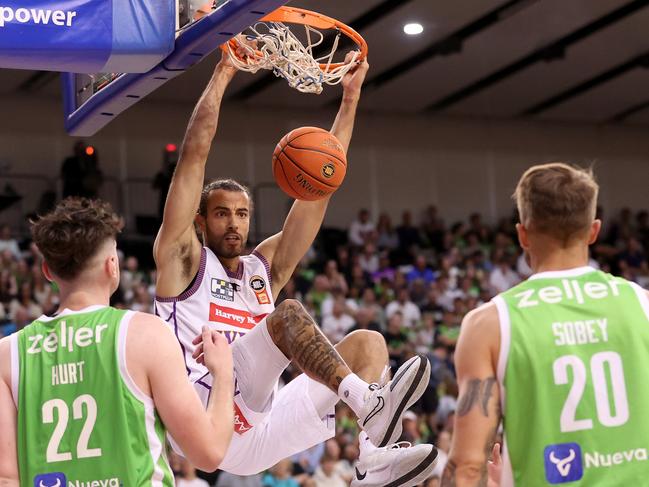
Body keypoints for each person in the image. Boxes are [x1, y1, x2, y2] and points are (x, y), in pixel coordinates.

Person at [153, 46, 438, 487]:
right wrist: (225, 73)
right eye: (221, 213)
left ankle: (372, 461)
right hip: (202, 410)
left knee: (369, 344)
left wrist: (349, 101)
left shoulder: (260, 269)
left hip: (258, 428)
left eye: (242, 213)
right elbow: (193, 157)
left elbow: (321, 186)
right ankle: (369, 403)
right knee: (286, 317)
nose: (233, 223)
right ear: (200, 221)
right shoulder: (183, 260)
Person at [0, 198, 234, 485]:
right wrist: (224, 373)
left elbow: (6, 478)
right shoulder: (145, 334)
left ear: (48, 271)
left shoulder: (7, 353)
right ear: (113, 267)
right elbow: (208, 453)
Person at [443, 163, 649, 486]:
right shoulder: (642, 305)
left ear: (522, 234)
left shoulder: (488, 324)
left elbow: (468, 467)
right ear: (594, 231)